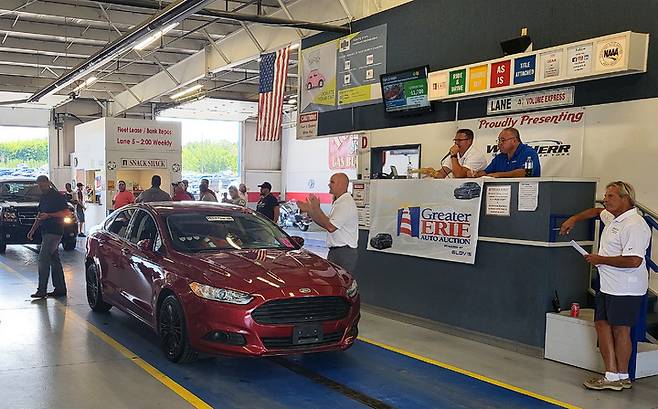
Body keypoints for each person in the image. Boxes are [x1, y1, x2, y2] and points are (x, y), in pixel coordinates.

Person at [560, 181, 650, 391]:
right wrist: (574, 219)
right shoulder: (612, 217)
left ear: (625, 199)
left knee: (621, 330)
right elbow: (596, 211)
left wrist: (599, 259)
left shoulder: (634, 225)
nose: (606, 199)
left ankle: (622, 375)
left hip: (625, 287)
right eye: (606, 195)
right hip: (608, 284)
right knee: (602, 324)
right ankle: (611, 374)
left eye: (611, 196)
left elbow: (633, 260)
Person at [298, 173, 358, 273]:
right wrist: (311, 211)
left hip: (344, 253)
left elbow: (330, 227)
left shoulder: (345, 203)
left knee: (341, 284)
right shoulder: (339, 202)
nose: (329, 185)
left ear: (341, 184)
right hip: (337, 251)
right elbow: (325, 222)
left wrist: (316, 209)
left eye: (332, 182)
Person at [27, 175, 71, 298]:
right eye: (39, 186)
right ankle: (60, 288)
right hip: (45, 231)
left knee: (43, 258)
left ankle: (42, 290)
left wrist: (50, 215)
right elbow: (40, 215)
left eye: (42, 185)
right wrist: (32, 230)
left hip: (55, 231)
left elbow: (66, 212)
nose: (41, 187)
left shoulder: (57, 197)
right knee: (54, 259)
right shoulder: (43, 197)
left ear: (48, 183)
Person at [472, 127, 540, 178]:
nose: (499, 143)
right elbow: (486, 172)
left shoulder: (529, 152)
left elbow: (525, 172)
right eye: (499, 140)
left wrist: (499, 175)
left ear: (514, 140)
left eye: (503, 140)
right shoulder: (500, 157)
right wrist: (476, 174)